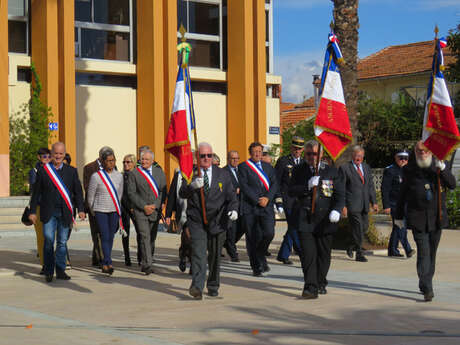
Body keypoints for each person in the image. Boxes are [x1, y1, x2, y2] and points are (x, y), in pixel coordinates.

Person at [395, 141, 456, 302]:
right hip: (418, 218)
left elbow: (452, 184)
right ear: (415, 152)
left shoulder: (439, 166)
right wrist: (399, 216)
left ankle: (425, 282)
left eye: (425, 150)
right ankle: (427, 287)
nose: (422, 153)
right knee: (423, 253)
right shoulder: (409, 169)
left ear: (430, 151)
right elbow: (402, 194)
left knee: (432, 253)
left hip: (437, 218)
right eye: (418, 151)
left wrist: (443, 170)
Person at [179, 142, 238, 299]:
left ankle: (212, 284)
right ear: (197, 157)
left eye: (209, 155)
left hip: (217, 220)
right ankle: (197, 287)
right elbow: (181, 193)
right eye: (202, 156)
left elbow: (231, 196)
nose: (206, 158)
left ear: (212, 157)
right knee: (198, 254)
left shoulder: (223, 174)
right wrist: (191, 186)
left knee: (214, 256)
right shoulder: (190, 173)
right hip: (197, 220)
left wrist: (233, 209)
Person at [289, 140, 345, 299]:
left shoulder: (332, 171)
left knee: (323, 255)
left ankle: (320, 281)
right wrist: (306, 186)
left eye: (315, 153)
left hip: (325, 220)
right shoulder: (299, 170)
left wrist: (337, 210)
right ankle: (310, 287)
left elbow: (340, 195)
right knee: (308, 255)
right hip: (306, 218)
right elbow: (291, 191)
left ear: (321, 154)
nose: (312, 157)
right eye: (308, 154)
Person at [29, 142, 85, 282]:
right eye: (56, 153)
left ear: (64, 154)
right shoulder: (43, 171)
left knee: (62, 242)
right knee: (48, 239)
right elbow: (35, 193)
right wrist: (32, 211)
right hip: (48, 212)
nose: (58, 156)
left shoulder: (71, 171)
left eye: (61, 154)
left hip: (65, 212)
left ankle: (60, 270)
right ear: (51, 154)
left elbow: (78, 192)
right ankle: (48, 270)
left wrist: (81, 209)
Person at [238, 142, 279, 277]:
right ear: (250, 152)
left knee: (269, 233)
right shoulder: (244, 167)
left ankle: (260, 254)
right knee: (253, 237)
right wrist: (257, 199)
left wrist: (267, 198)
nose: (257, 154)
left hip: (266, 206)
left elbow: (274, 184)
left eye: (260, 151)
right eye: (255, 151)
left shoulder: (268, 167)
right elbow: (244, 186)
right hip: (251, 207)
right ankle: (256, 266)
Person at [127, 149, 166, 275]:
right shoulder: (134, 173)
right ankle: (148, 264)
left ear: (152, 161)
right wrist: (144, 206)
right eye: (142, 159)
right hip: (140, 211)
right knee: (144, 236)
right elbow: (131, 193)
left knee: (152, 238)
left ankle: (146, 259)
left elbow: (162, 191)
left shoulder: (159, 173)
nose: (144, 161)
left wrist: (155, 205)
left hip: (155, 210)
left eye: (147, 160)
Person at [87, 148, 124, 275]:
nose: (111, 163)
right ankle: (107, 262)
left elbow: (119, 194)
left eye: (113, 160)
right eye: (108, 161)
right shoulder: (96, 176)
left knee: (111, 235)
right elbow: (90, 195)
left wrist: (116, 207)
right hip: (100, 210)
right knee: (104, 235)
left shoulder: (119, 176)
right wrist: (92, 210)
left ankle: (107, 260)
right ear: (103, 162)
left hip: (113, 210)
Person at [339, 145, 378, 262]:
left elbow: (370, 186)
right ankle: (359, 254)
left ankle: (350, 245)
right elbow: (341, 188)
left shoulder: (366, 167)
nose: (358, 158)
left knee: (364, 227)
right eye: (356, 155)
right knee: (358, 228)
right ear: (352, 155)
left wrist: (374, 202)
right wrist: (343, 205)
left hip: (365, 204)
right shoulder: (345, 168)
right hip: (352, 204)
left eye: (360, 156)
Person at [275, 136, 304, 265]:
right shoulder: (283, 161)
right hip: (288, 199)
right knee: (293, 226)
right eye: (295, 148)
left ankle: (283, 254)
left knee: (294, 226)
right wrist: (278, 199)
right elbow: (276, 181)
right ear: (291, 148)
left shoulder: (304, 162)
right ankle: (302, 252)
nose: (297, 151)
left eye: (299, 149)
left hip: (300, 201)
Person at [381, 150, 415, 258]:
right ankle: (408, 249)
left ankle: (392, 250)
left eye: (405, 158)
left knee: (397, 227)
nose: (403, 160)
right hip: (394, 204)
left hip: (406, 204)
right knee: (401, 226)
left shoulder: (409, 171)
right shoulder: (390, 171)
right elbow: (385, 189)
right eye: (401, 158)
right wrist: (386, 205)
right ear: (395, 158)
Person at [84, 147, 111, 267]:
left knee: (105, 232)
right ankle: (102, 260)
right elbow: (87, 187)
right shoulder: (89, 168)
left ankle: (97, 257)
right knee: (97, 232)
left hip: (109, 206)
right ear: (100, 156)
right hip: (95, 205)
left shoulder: (111, 166)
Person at [28, 147, 51, 274]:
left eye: (49, 156)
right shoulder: (35, 171)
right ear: (39, 157)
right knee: (42, 237)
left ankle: (60, 262)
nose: (47, 159)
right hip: (39, 206)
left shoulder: (55, 169)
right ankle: (44, 264)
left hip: (53, 206)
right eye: (44, 157)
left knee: (55, 236)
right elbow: (35, 189)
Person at [165, 167, 192, 273]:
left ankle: (193, 263)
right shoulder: (179, 175)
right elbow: (172, 194)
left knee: (193, 238)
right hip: (183, 212)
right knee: (187, 237)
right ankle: (183, 254)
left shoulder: (199, 173)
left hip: (196, 213)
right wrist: (168, 214)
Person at [222, 150, 244, 262]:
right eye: (233, 158)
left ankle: (227, 244)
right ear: (228, 159)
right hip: (230, 205)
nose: (235, 160)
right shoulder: (224, 172)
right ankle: (233, 253)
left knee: (242, 228)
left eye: (237, 158)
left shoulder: (241, 171)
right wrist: (234, 191)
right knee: (231, 230)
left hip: (242, 205)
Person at [121, 154, 138, 266]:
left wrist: (134, 206)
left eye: (128, 162)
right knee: (125, 233)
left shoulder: (138, 175)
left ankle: (140, 255)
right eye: (124, 162)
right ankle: (127, 257)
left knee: (140, 232)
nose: (126, 164)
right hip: (123, 207)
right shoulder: (120, 176)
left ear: (134, 163)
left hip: (135, 207)